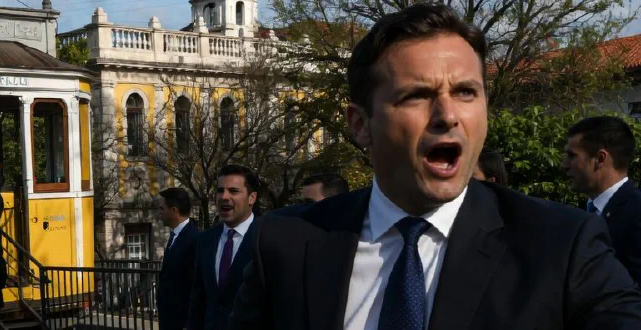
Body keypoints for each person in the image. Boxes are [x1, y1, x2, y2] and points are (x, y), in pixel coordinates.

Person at [227, 4, 641, 330]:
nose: (447, 115)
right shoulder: (286, 244)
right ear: (360, 124)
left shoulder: (560, 244)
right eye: (416, 96)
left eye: (465, 92)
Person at [562, 116, 641, 283]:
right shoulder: (585, 213)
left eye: (572, 156)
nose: (564, 165)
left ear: (600, 159)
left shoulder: (636, 215)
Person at [189, 165, 261, 330]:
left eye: (233, 191)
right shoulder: (205, 239)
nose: (224, 197)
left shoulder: (265, 238)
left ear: (252, 198)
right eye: (220, 191)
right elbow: (198, 297)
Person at [156, 187, 199, 330]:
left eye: (162, 209)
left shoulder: (192, 239)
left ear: (174, 211)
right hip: (169, 319)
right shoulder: (175, 235)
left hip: (181, 322)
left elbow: (195, 286)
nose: (159, 213)